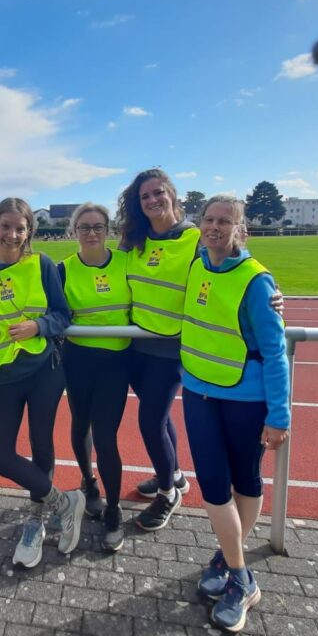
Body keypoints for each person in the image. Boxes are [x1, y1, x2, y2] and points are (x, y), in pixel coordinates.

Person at [180, 195, 289, 633]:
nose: (214, 226)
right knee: (212, 483)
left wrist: (279, 416)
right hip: (197, 391)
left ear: (240, 230)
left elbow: (276, 353)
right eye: (208, 219)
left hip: (246, 398)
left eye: (225, 221)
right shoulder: (195, 263)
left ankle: (238, 575)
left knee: (245, 479)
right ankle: (237, 566)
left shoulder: (257, 281)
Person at [0, 197, 83, 568]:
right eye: (6, 226)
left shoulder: (41, 264)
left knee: (41, 443)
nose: (13, 235)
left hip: (45, 368)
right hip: (3, 371)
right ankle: (65, 502)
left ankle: (36, 518)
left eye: (20, 228)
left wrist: (38, 326)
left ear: (29, 231)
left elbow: (62, 314)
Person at [117, 168, 201, 531]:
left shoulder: (195, 238)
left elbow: (231, 265)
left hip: (171, 349)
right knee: (161, 418)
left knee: (150, 421)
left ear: (172, 194)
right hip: (135, 346)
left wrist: (270, 291)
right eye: (145, 196)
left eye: (158, 192)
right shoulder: (133, 241)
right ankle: (175, 474)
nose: (152, 200)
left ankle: (168, 493)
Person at [58, 203, 130, 551]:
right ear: (74, 231)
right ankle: (88, 481)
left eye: (98, 227)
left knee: (105, 436)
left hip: (116, 362)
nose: (91, 233)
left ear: (108, 230)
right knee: (80, 424)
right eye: (84, 227)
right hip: (78, 361)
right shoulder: (62, 270)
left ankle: (114, 509)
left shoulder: (126, 263)